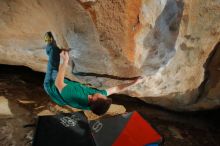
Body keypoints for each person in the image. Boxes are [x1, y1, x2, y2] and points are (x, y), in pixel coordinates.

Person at [43, 32, 143, 115]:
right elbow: (116, 89)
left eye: (101, 96)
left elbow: (58, 84)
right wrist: (135, 82)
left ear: (93, 99)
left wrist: (65, 61)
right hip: (61, 95)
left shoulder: (74, 95)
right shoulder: (96, 101)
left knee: (54, 61)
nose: (103, 94)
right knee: (63, 82)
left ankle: (49, 44)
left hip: (52, 85)